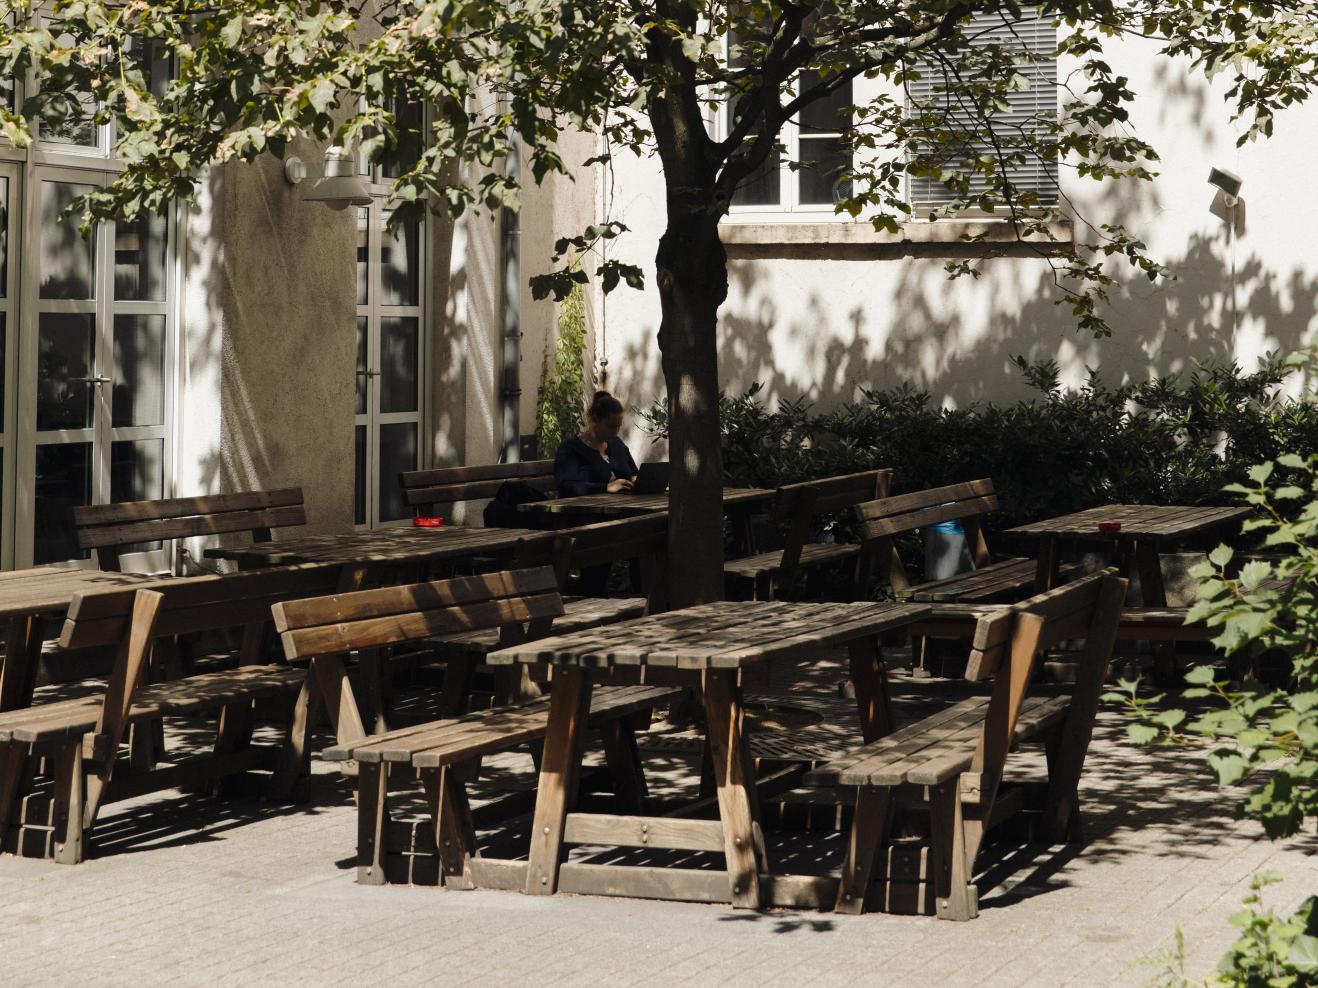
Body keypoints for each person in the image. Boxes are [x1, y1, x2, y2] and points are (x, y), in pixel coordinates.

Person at [554, 390, 639, 496]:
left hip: (624, 505)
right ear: (595, 420)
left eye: (618, 426)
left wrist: (636, 480)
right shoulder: (570, 449)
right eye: (611, 426)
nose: (616, 431)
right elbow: (566, 486)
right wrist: (606, 487)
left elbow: (634, 473)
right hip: (586, 509)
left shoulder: (617, 444)